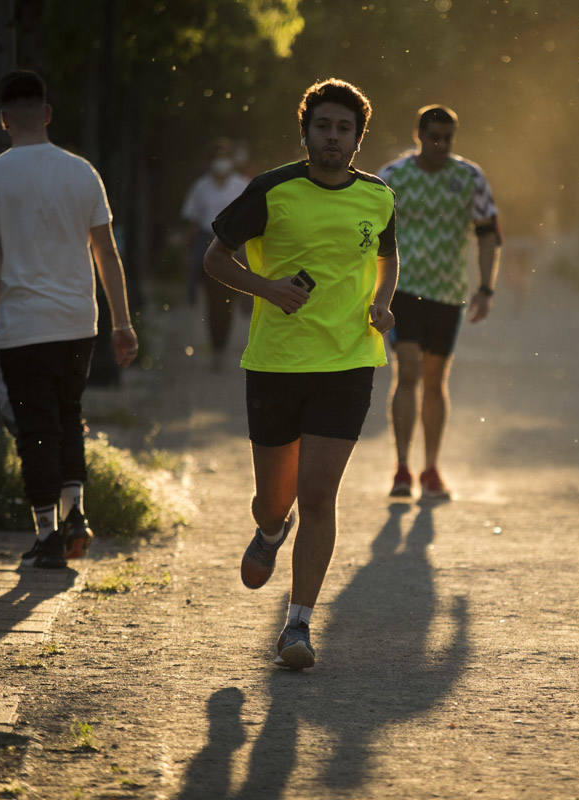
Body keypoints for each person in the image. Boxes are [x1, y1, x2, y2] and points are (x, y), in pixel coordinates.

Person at [204, 78, 398, 670]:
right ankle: (270, 531)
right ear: (306, 132)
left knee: (318, 495)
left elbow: (387, 257)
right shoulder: (271, 190)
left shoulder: (378, 197)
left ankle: (298, 625)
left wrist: (382, 302)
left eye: (344, 128)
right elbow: (214, 258)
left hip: (348, 362)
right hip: (276, 364)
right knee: (274, 501)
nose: (333, 137)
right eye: (323, 126)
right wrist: (268, 289)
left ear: (358, 138)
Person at [0, 70, 139, 569]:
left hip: (22, 326)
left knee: (34, 429)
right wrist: (122, 322)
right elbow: (106, 251)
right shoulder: (82, 172)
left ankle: (47, 536)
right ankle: (76, 515)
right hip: (78, 323)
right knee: (68, 416)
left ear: (3, 119)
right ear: (47, 113)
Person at [377, 105, 501, 500]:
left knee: (434, 380)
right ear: (419, 135)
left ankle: (430, 468)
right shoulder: (392, 177)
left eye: (447, 138)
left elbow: (488, 234)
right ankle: (401, 468)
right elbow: (366, 233)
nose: (441, 145)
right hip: (403, 288)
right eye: (433, 137)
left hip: (448, 292)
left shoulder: (469, 177)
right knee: (408, 372)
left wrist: (486, 289)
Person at [180, 139, 249, 368]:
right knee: (213, 302)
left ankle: (246, 304)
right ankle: (216, 347)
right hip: (208, 242)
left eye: (225, 157)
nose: (221, 162)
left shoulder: (241, 185)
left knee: (229, 300)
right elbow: (193, 221)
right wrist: (189, 250)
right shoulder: (201, 187)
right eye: (217, 157)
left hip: (235, 245)